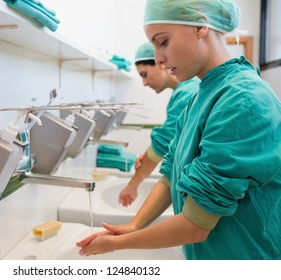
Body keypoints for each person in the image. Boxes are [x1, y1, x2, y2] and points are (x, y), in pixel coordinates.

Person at [77, 0, 281, 259]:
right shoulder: (201, 95)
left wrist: (117, 244)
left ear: (200, 27)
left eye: (162, 42)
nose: (158, 58)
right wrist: (134, 224)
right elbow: (171, 172)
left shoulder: (242, 99)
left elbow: (196, 225)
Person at [119, 42, 199, 207]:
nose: (144, 83)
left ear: (160, 63)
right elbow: (170, 142)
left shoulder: (186, 93)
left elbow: (162, 144)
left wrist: (132, 185)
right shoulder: (185, 90)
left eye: (144, 74)